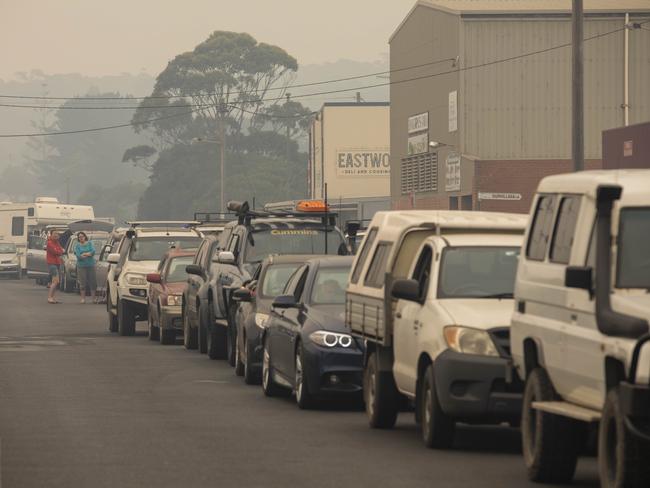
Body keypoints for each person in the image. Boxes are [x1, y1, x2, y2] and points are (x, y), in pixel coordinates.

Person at [74, 232, 97, 304]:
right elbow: (78, 255)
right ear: (78, 238)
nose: (81, 238)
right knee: (82, 282)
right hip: (81, 266)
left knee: (93, 282)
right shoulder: (77, 245)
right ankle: (83, 298)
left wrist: (84, 254)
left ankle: (93, 298)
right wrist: (87, 254)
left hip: (90, 265)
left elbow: (93, 251)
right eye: (80, 237)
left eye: (82, 236)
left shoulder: (90, 243)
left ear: (85, 237)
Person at [46, 231, 64, 304]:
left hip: (57, 263)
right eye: (54, 234)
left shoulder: (57, 243)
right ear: (51, 235)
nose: (56, 235)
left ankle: (52, 297)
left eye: (57, 234)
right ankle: (49, 297)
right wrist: (59, 251)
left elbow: (61, 250)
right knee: (55, 281)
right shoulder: (49, 243)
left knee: (56, 282)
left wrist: (59, 251)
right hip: (52, 263)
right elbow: (56, 252)